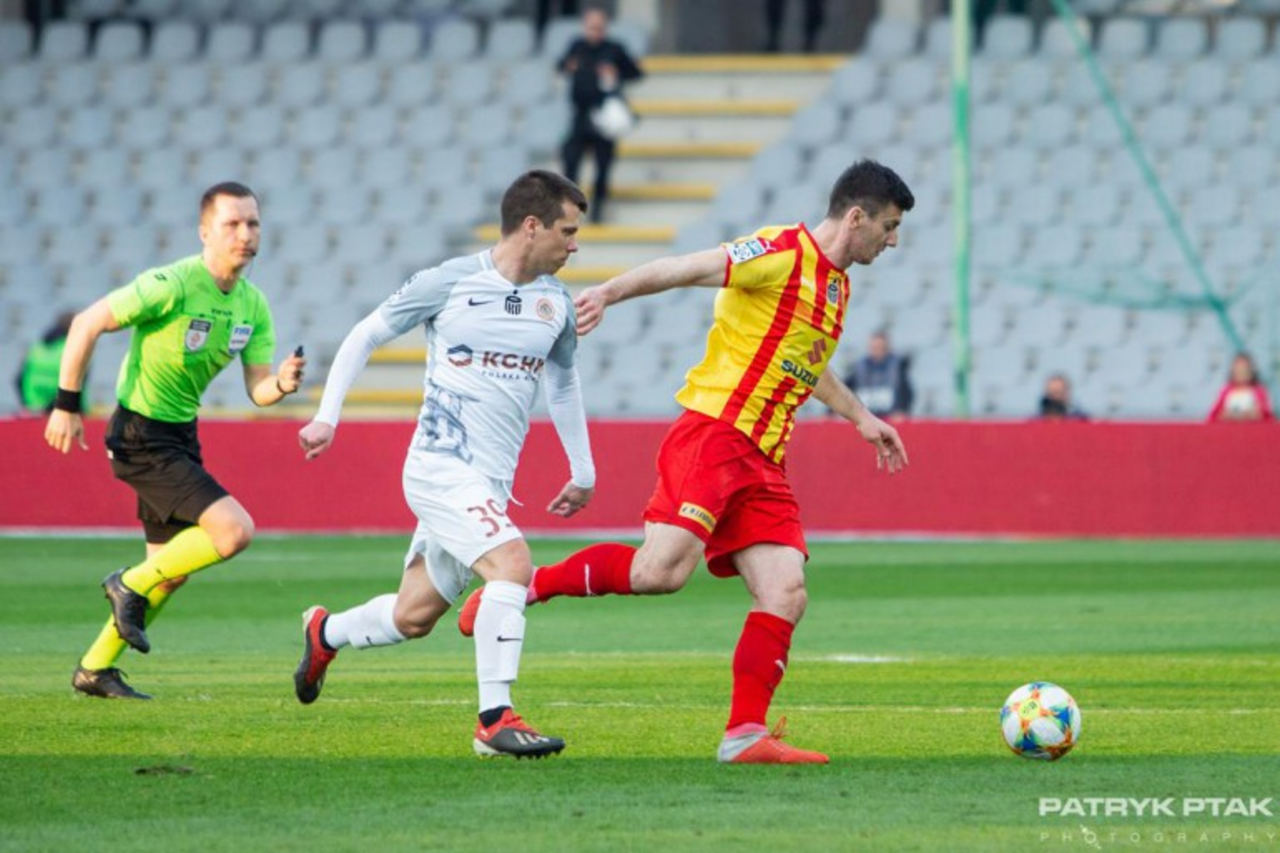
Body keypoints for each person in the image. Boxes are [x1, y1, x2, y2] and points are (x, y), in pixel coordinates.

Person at [458, 159, 915, 764]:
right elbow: (684, 267)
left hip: (765, 457)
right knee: (660, 573)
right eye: (888, 226)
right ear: (856, 217)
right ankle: (529, 585)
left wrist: (860, 417)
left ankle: (745, 735)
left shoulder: (836, 286)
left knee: (785, 591)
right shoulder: (779, 253)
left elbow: (806, 362)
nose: (893, 240)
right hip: (716, 436)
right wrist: (610, 292)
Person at [293, 171, 596, 760]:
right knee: (513, 564)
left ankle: (324, 631)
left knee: (413, 616)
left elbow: (563, 384)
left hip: (491, 484)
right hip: (439, 466)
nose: (575, 244)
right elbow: (365, 335)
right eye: (568, 231)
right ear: (531, 226)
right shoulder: (450, 281)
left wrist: (582, 470)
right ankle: (495, 720)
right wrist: (328, 417)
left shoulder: (555, 303)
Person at [45, 182, 306, 700]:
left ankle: (95, 669)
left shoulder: (253, 305)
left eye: (253, 223)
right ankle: (127, 584)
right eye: (232, 224)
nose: (245, 234)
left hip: (181, 434)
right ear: (205, 232)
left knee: (170, 572)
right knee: (233, 532)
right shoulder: (172, 284)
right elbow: (87, 323)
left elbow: (257, 388)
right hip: (139, 433)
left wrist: (280, 383)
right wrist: (66, 403)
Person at [558, 6, 643, 224]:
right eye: (590, 27)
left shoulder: (614, 49)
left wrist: (617, 72)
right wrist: (569, 66)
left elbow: (636, 73)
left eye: (598, 27)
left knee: (603, 164)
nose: (594, 32)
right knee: (570, 160)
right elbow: (560, 65)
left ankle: (598, 208)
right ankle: (570, 206)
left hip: (604, 116)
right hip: (581, 114)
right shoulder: (577, 46)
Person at [16, 310, 87, 415]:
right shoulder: (74, 348)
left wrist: (26, 406)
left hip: (31, 409)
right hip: (61, 411)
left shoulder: (36, 347)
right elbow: (78, 385)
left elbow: (18, 380)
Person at [843, 328, 913, 419]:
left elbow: (907, 394)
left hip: (890, 418)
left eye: (881, 348)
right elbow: (843, 389)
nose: (878, 351)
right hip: (865, 419)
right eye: (875, 348)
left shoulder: (898, 367)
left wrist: (902, 410)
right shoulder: (859, 368)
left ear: (887, 348)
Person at [1207, 352, 1273, 422]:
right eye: (1238, 370)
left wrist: (1255, 415)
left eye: (1244, 369)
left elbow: (1268, 417)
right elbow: (1213, 417)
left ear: (1251, 371)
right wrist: (1226, 415)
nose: (1241, 373)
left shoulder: (1259, 391)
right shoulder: (1226, 390)